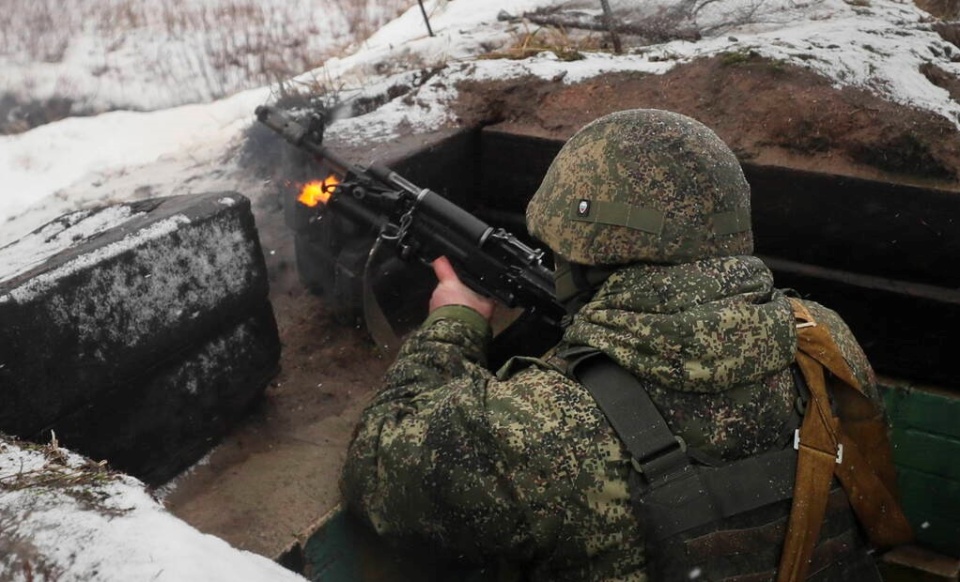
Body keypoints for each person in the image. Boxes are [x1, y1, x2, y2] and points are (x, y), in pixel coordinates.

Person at [340, 109, 905, 581]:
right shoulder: (824, 338)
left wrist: (453, 325)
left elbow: (375, 474)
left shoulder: (540, 422)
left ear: (583, 246)